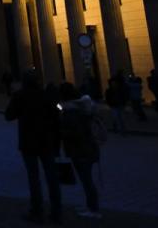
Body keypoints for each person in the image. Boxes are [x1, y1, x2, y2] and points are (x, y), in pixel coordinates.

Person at [4, 70, 61, 225]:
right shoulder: (46, 95)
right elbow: (57, 113)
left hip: (28, 142)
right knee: (51, 177)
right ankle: (57, 211)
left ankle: (37, 211)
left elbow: (8, 116)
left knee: (33, 178)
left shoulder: (20, 96)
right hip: (46, 141)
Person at [59, 83, 101, 219]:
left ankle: (93, 209)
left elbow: (75, 132)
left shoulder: (72, 111)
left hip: (80, 149)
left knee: (87, 180)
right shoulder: (82, 107)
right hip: (88, 148)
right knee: (87, 179)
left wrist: (60, 132)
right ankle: (90, 206)